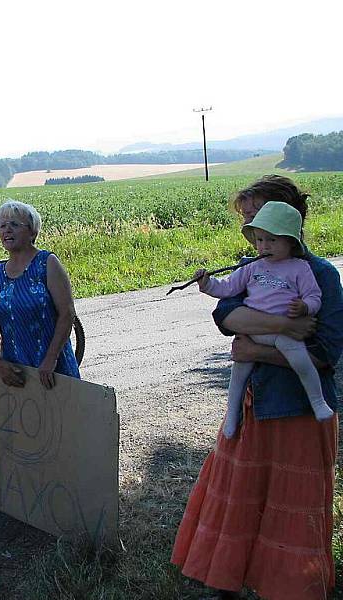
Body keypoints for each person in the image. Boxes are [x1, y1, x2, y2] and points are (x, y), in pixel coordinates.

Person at [172, 175, 343, 600]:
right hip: (254, 405)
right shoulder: (253, 271)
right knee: (242, 500)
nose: (252, 234)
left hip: (298, 409)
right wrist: (289, 326)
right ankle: (231, 581)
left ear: (289, 222)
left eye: (256, 218)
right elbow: (229, 318)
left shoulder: (319, 274)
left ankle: (288, 588)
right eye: (248, 222)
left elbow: (326, 352)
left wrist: (255, 349)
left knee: (290, 510)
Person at [194, 201, 332, 438]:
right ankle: (231, 416)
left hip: (282, 334)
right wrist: (207, 284)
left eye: (272, 240)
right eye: (259, 240)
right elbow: (228, 287)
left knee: (302, 363)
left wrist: (305, 307)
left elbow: (314, 296)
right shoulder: (251, 266)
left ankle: (318, 402)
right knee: (237, 378)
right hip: (253, 331)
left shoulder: (299, 268)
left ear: (290, 241)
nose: (264, 246)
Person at [0, 199, 80, 389]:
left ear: (32, 231)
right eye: (2, 226)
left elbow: (67, 314)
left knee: (61, 418)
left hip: (53, 370)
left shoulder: (47, 263)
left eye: (14, 225)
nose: (6, 230)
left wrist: (50, 359)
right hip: (16, 374)